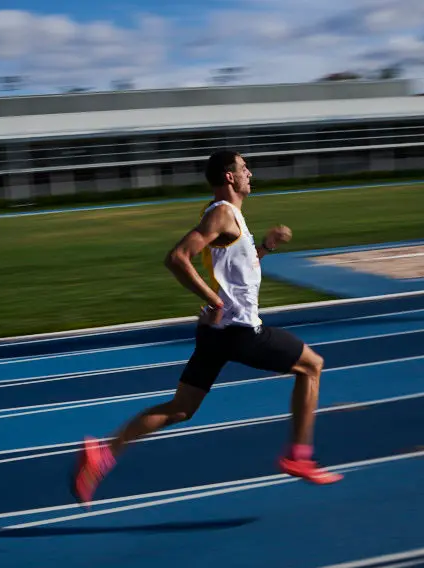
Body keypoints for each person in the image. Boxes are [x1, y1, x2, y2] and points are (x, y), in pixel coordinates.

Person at [70, 150, 342, 508]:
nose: (250, 173)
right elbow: (177, 258)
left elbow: (237, 271)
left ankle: (104, 453)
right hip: (239, 331)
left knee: (181, 408)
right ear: (229, 177)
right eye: (244, 168)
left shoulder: (227, 216)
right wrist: (214, 301)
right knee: (312, 366)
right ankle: (299, 456)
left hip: (216, 334)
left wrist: (265, 247)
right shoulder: (223, 213)